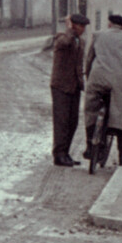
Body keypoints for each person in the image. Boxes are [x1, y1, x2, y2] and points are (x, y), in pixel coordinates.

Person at [83, 13, 122, 166]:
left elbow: (89, 59)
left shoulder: (97, 35)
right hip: (120, 81)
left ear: (110, 24)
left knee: (90, 109)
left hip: (98, 78)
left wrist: (88, 78)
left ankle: (90, 147)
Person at [49, 13, 89, 166]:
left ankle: (66, 153)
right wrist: (69, 29)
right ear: (73, 25)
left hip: (74, 86)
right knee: (61, 122)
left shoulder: (81, 41)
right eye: (80, 26)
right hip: (61, 86)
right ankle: (58, 154)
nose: (83, 29)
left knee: (72, 122)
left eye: (84, 27)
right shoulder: (62, 38)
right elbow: (65, 42)